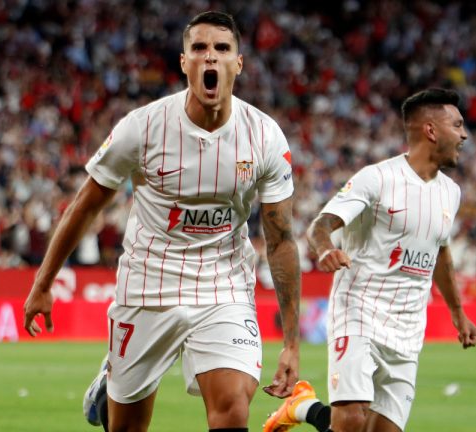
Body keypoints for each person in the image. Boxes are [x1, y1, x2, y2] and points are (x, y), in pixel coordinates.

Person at [23, 11, 301, 432]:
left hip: (222, 284)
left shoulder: (264, 137)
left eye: (222, 49)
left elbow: (280, 240)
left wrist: (293, 343)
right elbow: (85, 204)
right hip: (149, 283)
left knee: (232, 409)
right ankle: (113, 375)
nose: (211, 58)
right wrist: (43, 284)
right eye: (200, 49)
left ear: (238, 64)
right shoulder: (143, 127)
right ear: (184, 62)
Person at [263, 88, 476, 432]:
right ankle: (304, 407)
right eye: (457, 125)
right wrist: (325, 250)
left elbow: (440, 251)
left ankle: (303, 407)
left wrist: (457, 312)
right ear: (430, 130)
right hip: (359, 311)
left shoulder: (450, 193)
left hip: (409, 328)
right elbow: (321, 225)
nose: (465, 135)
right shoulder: (377, 179)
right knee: (350, 421)